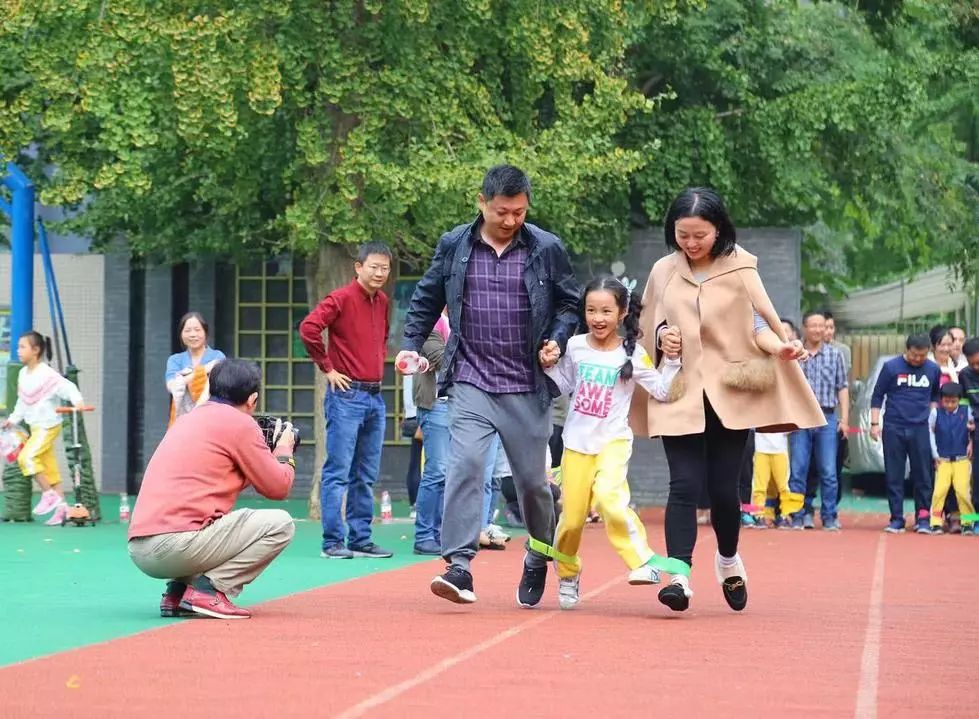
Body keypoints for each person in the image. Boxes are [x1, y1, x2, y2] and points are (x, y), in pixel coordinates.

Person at [632, 187, 824, 613]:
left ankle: (727, 559)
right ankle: (679, 575)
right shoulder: (663, 271)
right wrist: (663, 337)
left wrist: (782, 348)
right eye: (683, 234)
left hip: (729, 392)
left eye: (700, 234)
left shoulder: (741, 267)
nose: (691, 243)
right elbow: (649, 326)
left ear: (718, 229)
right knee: (682, 484)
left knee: (722, 490)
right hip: (680, 390)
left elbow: (759, 324)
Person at [398, 164, 580, 607]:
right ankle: (458, 565)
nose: (511, 220)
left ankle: (538, 553)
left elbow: (570, 304)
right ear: (481, 203)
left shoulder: (546, 248)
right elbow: (427, 297)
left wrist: (556, 340)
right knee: (465, 467)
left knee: (533, 485)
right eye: (502, 211)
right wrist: (409, 344)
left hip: (526, 385)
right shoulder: (455, 245)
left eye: (519, 212)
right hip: (471, 379)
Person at [543, 277, 681, 610]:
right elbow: (561, 386)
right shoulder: (575, 347)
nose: (598, 318)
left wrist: (674, 360)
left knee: (609, 498)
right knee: (571, 521)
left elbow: (662, 390)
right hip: (576, 443)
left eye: (606, 310)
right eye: (591, 310)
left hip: (613, 441)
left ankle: (641, 562)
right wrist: (546, 364)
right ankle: (568, 572)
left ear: (621, 313)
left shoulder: (632, 353)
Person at [127, 359, 296, 620]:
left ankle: (177, 592)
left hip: (140, 549)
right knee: (281, 524)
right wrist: (284, 450)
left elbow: (217, 479)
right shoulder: (240, 424)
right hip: (175, 546)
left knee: (210, 522)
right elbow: (279, 487)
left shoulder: (187, 419)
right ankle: (210, 591)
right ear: (252, 399)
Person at [299, 242, 394, 560]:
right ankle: (332, 542)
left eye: (385, 268)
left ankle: (361, 538)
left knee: (366, 473)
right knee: (338, 470)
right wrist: (328, 368)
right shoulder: (340, 298)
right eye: (374, 267)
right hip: (346, 396)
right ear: (359, 267)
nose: (380, 273)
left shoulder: (382, 301)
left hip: (375, 396)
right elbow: (309, 328)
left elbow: (381, 338)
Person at [2, 331, 84, 526]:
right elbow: (22, 402)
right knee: (50, 469)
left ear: (36, 350)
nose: (18, 351)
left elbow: (68, 387)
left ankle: (48, 494)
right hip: (36, 427)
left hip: (48, 426)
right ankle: (62, 509)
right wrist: (12, 420)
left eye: (22, 347)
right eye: (18, 347)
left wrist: (78, 401)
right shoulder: (22, 374)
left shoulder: (46, 373)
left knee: (26, 457)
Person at [870, 333, 941, 534]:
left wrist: (933, 418)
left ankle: (923, 518)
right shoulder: (891, 367)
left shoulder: (933, 369)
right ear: (906, 349)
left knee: (923, 476)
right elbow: (877, 396)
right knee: (894, 474)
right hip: (893, 427)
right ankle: (896, 518)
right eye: (914, 355)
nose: (918, 359)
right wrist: (875, 423)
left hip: (921, 428)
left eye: (922, 355)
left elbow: (935, 395)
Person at [788, 311, 848, 531]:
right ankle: (797, 514)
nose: (817, 330)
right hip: (800, 417)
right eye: (813, 325)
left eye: (821, 326)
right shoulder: (793, 354)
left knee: (829, 470)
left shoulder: (835, 354)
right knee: (798, 469)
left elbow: (842, 387)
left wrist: (845, 418)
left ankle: (830, 515)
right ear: (804, 328)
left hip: (827, 416)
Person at [411, 310, 451, 556]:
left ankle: (438, 533)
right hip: (435, 405)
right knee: (437, 471)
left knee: (448, 475)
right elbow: (441, 356)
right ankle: (424, 535)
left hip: (456, 405)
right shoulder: (430, 319)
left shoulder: (459, 319)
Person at [927, 382, 974, 534]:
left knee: (963, 492)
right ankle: (935, 522)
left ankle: (968, 522)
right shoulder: (935, 413)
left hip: (961, 459)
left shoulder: (967, 411)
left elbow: (973, 428)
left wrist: (971, 442)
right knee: (939, 492)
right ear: (941, 400)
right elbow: (930, 433)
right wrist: (935, 455)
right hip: (943, 460)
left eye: (953, 401)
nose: (949, 404)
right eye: (946, 401)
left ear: (959, 400)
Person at [165, 312, 226, 425]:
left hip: (212, 419)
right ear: (181, 334)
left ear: (205, 332)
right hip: (182, 420)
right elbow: (172, 386)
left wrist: (185, 378)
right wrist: (205, 369)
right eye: (187, 330)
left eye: (197, 330)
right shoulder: (175, 360)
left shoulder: (218, 356)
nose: (193, 334)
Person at [750, 430, 797, 528]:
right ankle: (759, 515)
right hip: (761, 449)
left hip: (780, 450)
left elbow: (794, 418)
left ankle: (785, 515)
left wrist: (791, 426)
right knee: (759, 486)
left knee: (783, 486)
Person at [957, 338, 979, 510]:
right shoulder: (964, 375)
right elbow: (963, 404)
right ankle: (975, 519)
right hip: (976, 431)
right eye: (972, 364)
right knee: (976, 477)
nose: (976, 367)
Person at [400, 374, 422, 519]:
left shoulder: (408, 358)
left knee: (416, 459)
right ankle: (417, 503)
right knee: (422, 461)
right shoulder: (423, 358)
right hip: (423, 412)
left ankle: (414, 503)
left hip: (411, 413)